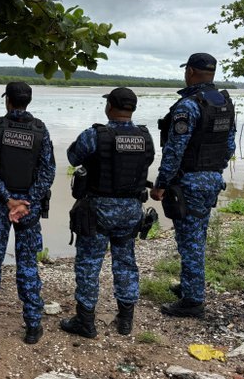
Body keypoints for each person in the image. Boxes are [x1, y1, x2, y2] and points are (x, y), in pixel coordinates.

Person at [60, 87, 155, 338]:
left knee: (89, 265)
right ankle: (125, 320)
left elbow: (72, 157)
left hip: (98, 211)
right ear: (132, 109)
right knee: (125, 263)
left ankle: (86, 321)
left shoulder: (95, 135)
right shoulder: (145, 137)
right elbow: (147, 162)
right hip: (131, 210)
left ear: (110, 107)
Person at [150, 53, 236, 319]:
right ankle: (190, 286)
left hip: (189, 182)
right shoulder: (224, 102)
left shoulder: (188, 105)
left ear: (189, 71)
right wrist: (212, 173)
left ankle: (193, 301)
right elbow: (230, 145)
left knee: (190, 242)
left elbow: (175, 150)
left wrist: (161, 184)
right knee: (197, 236)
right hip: (211, 179)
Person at [0, 82, 56, 344]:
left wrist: (9, 200)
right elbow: (48, 172)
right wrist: (27, 202)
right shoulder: (40, 130)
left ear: (8, 101)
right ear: (28, 101)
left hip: (0, 205)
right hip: (28, 209)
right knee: (28, 264)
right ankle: (32, 326)